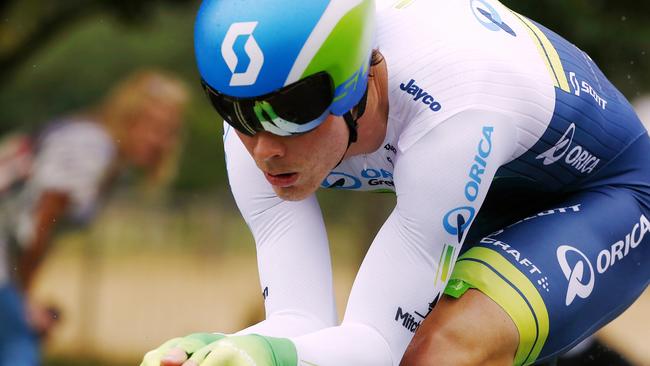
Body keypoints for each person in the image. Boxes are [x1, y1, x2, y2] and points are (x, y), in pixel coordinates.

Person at [142, 0, 649, 365]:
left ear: (353, 85)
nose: (265, 149)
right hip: (478, 187)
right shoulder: (255, 120)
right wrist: (231, 350)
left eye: (291, 115)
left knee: (435, 352)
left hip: (610, 193)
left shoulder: (454, 104)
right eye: (234, 113)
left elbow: (376, 344)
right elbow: (303, 322)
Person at [0, 70, 188, 366]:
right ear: (126, 117)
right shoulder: (91, 147)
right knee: (19, 349)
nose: (160, 140)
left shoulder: (104, 155)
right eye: (152, 126)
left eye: (169, 130)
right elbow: (41, 222)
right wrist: (25, 302)